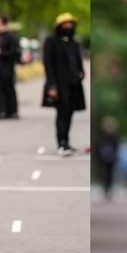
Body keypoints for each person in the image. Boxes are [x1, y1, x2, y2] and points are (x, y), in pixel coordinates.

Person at [43, 12, 86, 155]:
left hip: (73, 85)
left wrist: (81, 72)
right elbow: (48, 64)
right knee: (62, 113)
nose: (69, 27)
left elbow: (78, 61)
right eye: (66, 24)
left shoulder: (73, 42)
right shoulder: (51, 41)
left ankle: (66, 141)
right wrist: (52, 85)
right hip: (59, 85)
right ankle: (61, 143)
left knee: (69, 113)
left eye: (71, 24)